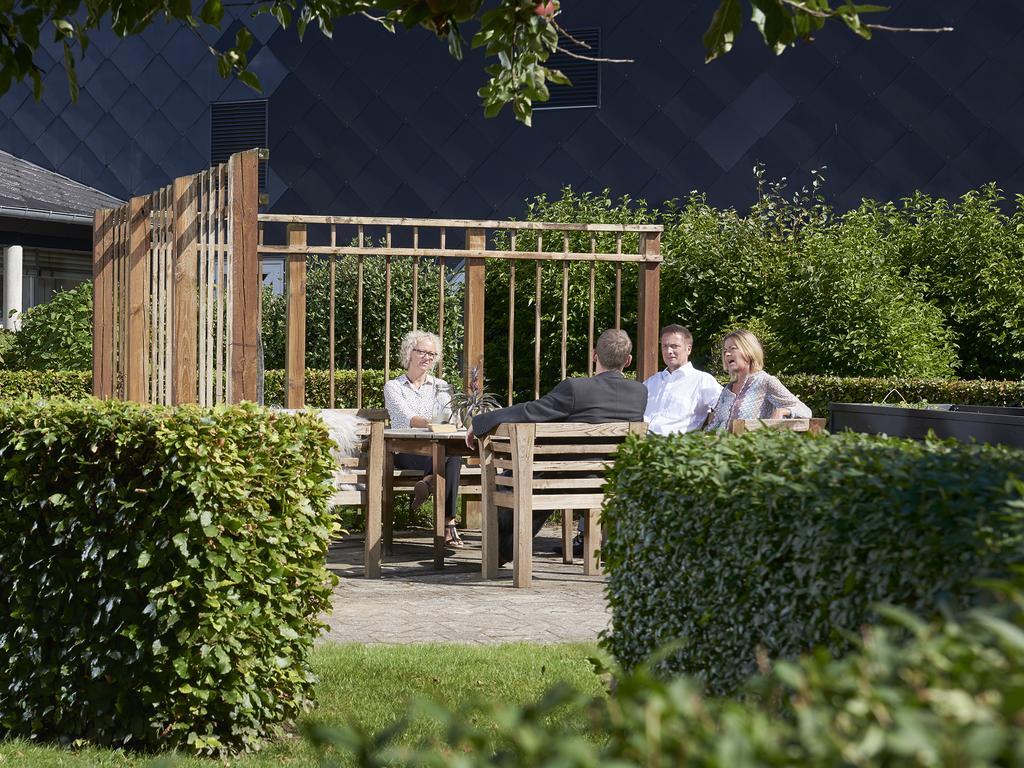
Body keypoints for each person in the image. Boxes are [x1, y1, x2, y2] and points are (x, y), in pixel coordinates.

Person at [466, 329, 648, 564]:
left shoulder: (575, 388)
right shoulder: (640, 393)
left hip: (565, 480)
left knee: (514, 483)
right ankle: (504, 551)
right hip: (610, 481)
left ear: (594, 355)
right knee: (534, 480)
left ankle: (502, 552)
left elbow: (530, 411)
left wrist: (481, 421)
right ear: (628, 360)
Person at [383, 330, 464, 547]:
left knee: (453, 457)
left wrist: (450, 420)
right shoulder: (394, 387)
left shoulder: (441, 385)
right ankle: (448, 526)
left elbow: (449, 415)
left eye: (432, 354)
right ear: (409, 353)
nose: (427, 357)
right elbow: (407, 417)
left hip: (435, 450)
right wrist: (433, 423)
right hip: (405, 451)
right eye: (422, 352)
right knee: (449, 458)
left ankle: (429, 485)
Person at [705, 329, 811, 431]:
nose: (727, 354)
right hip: (719, 447)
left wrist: (783, 411)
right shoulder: (727, 389)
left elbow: (805, 411)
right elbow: (714, 426)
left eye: (733, 348)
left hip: (749, 448)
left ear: (749, 350)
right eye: (725, 351)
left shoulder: (765, 382)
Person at [643, 324, 723, 434]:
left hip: (676, 446)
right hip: (640, 443)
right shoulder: (652, 381)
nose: (668, 351)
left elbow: (727, 406)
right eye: (665, 346)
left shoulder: (702, 380)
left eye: (674, 346)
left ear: (688, 349)